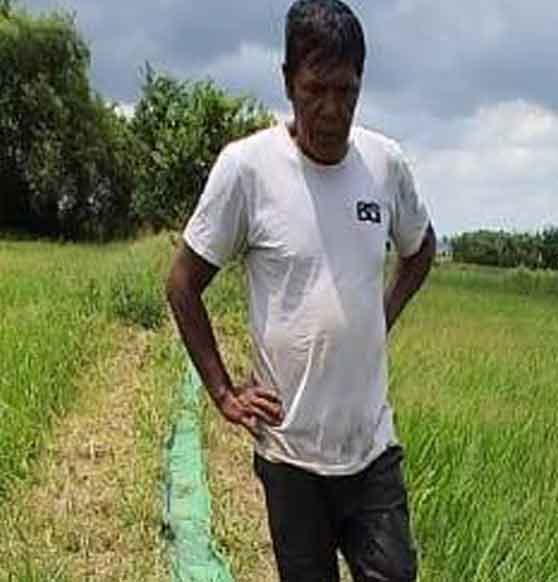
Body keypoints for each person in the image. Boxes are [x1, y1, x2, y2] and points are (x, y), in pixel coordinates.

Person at [165, 1, 434, 580]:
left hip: (370, 447)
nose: (332, 110)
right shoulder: (248, 170)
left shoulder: (385, 165)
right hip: (290, 454)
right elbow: (183, 283)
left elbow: (420, 248)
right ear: (288, 81)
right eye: (316, 89)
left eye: (346, 91)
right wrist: (222, 392)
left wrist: (380, 317)